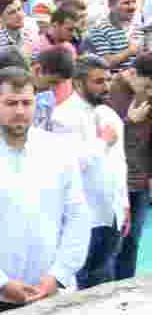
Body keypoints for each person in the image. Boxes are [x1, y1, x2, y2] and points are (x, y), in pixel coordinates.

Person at [0, 67, 89, 315]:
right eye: (11, 103)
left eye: (26, 102)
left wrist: (58, 275)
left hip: (52, 292)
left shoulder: (58, 151)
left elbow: (78, 217)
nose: (20, 111)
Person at [50, 55, 128, 290]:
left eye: (108, 80)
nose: (106, 87)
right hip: (83, 217)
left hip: (112, 213)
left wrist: (123, 203)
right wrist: (102, 142)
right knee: (78, 288)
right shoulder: (62, 116)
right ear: (78, 82)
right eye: (98, 81)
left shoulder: (108, 113)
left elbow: (119, 162)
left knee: (104, 285)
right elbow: (70, 165)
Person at [109, 51, 152, 281]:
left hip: (140, 181)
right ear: (132, 74)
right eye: (146, 87)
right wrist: (128, 122)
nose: (150, 93)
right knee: (112, 244)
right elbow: (103, 141)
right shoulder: (110, 91)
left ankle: (125, 289)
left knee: (133, 242)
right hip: (116, 182)